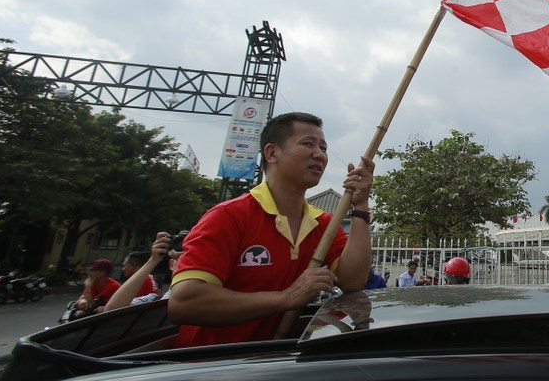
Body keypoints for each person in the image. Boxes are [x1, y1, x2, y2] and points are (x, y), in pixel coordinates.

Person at [169, 112, 374, 346]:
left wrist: (360, 206)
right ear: (271, 153)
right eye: (308, 144)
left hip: (275, 365)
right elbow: (184, 303)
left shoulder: (323, 223)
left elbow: (352, 282)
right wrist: (286, 298)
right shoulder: (228, 216)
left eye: (323, 148)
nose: (319, 154)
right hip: (211, 367)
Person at [102, 232, 178, 312]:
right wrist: (154, 259)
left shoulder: (146, 280)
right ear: (171, 264)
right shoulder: (154, 299)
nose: (123, 269)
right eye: (184, 260)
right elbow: (112, 310)